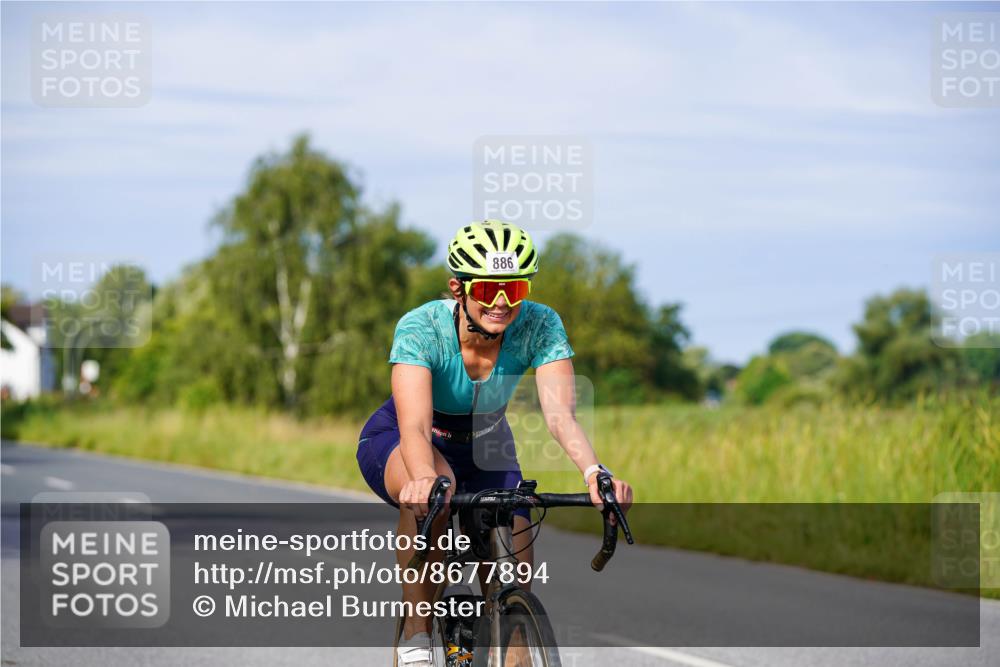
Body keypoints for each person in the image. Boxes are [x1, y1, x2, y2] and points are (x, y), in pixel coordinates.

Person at [356, 219, 633, 666]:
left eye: (514, 290)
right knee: (436, 492)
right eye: (488, 290)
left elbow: (561, 416)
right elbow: (415, 427)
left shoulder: (541, 324)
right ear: (458, 288)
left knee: (514, 581)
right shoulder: (421, 327)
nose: (502, 304)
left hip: (487, 443)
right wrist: (424, 478)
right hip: (407, 438)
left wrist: (595, 472)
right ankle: (416, 633)